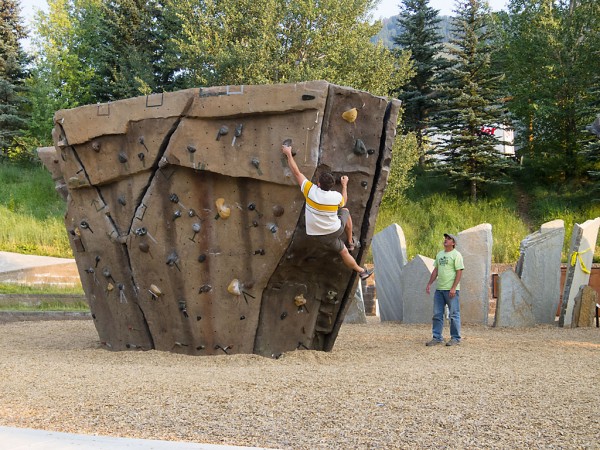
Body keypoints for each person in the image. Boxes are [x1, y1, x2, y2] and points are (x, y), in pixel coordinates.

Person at [281, 143, 373, 280]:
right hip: (335, 230)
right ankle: (352, 245)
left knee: (342, 251)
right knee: (345, 211)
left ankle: (360, 268)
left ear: (318, 184)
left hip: (319, 234)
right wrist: (344, 185)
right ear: (331, 186)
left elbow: (296, 172)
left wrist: (288, 153)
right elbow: (344, 201)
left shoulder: (310, 191)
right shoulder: (335, 197)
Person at [425, 233, 465, 346]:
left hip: (451, 290)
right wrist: (429, 283)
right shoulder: (440, 255)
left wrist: (453, 288)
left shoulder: (456, 255)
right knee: (437, 314)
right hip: (439, 290)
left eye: (448, 239)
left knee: (453, 314)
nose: (445, 240)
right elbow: (435, 270)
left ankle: (455, 338)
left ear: (453, 243)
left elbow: (459, 272)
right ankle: (437, 337)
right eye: (445, 238)